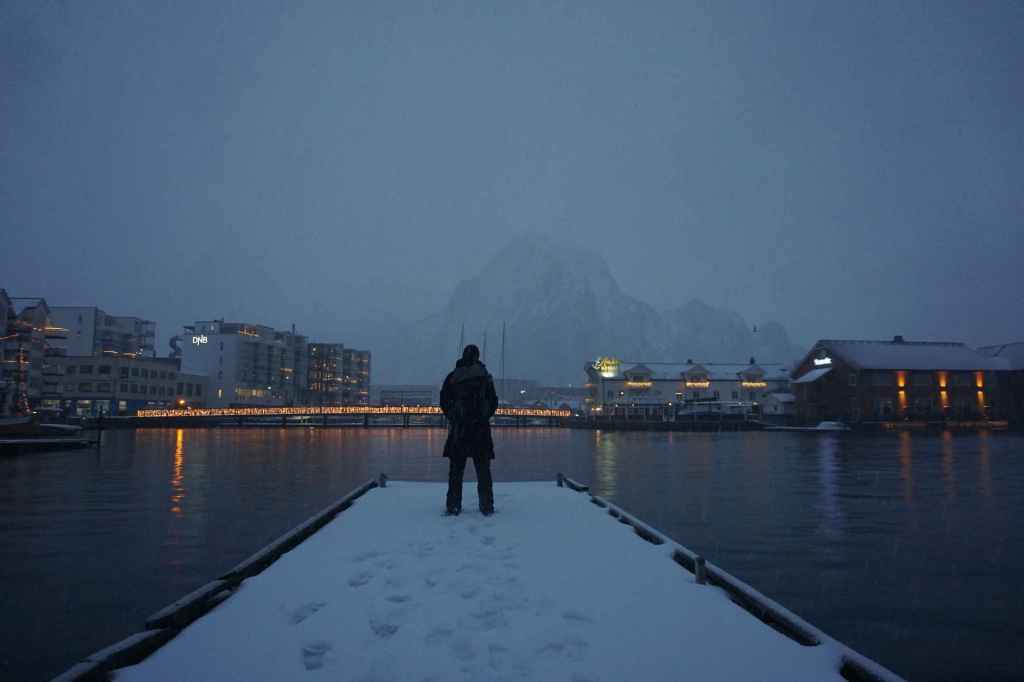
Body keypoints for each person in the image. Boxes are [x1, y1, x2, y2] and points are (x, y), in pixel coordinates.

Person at [440, 344, 498, 515]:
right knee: (483, 472)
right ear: (477, 356)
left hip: (460, 430)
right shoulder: (485, 377)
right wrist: (484, 415)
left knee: (456, 472)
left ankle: (453, 506)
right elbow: (493, 401)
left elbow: (444, 401)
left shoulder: (452, 377)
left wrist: (454, 416)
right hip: (480, 429)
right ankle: (486, 506)